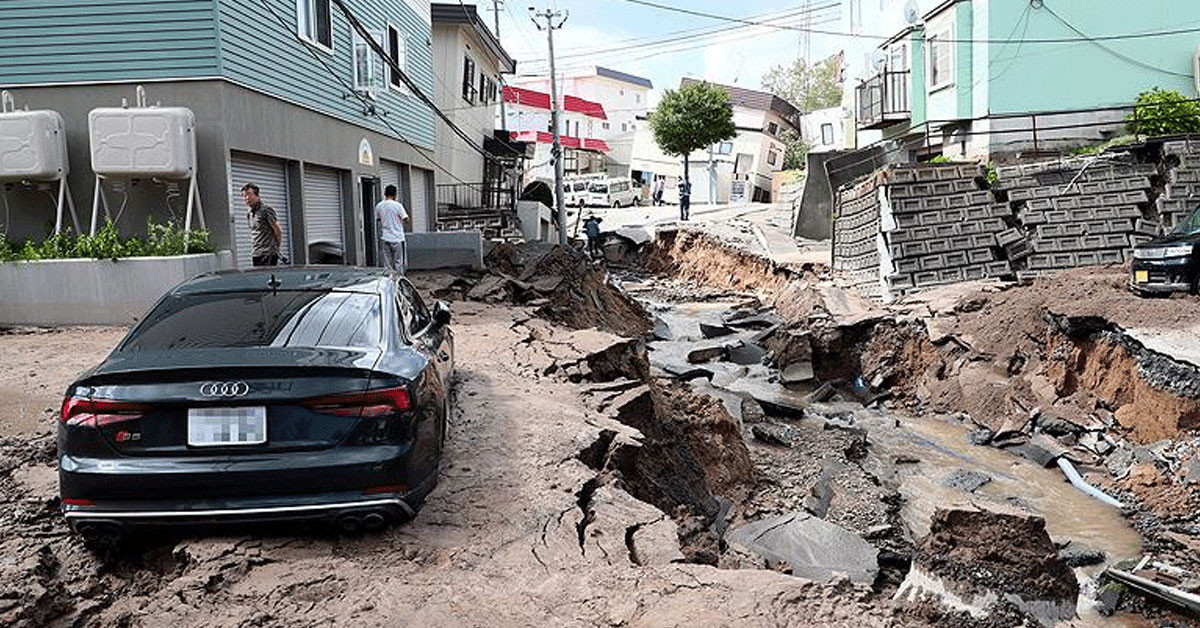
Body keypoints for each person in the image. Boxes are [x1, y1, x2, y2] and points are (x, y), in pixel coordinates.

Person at [242, 183, 282, 267]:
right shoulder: (250, 213)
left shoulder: (266, 210)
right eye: (244, 195)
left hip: (268, 253)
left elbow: (277, 229)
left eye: (249, 194)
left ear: (257, 195)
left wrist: (275, 248)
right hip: (256, 253)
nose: (247, 198)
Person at [375, 184, 410, 274]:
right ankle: (399, 281)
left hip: (385, 237)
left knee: (387, 263)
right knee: (399, 262)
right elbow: (406, 219)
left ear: (385, 194)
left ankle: (388, 281)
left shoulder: (379, 205)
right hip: (397, 238)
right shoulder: (398, 206)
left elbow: (378, 219)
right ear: (395, 194)